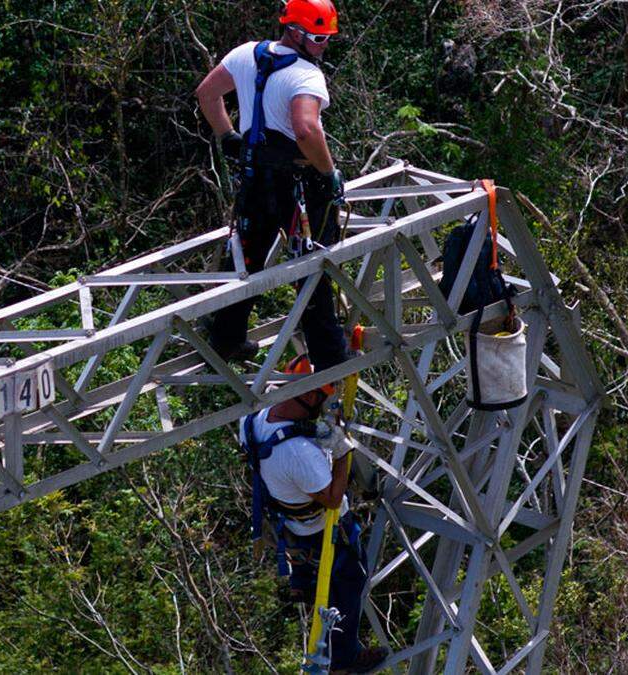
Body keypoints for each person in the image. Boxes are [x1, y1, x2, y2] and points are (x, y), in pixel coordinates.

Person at [196, 0, 348, 367]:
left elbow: (206, 93)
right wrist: (328, 174)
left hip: (254, 178)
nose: (323, 45)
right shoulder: (306, 76)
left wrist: (228, 135)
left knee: (248, 258)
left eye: (327, 38)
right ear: (295, 32)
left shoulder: (247, 54)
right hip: (297, 184)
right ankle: (329, 355)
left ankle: (226, 339)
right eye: (318, 37)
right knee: (312, 265)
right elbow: (306, 129)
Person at [239, 356, 387, 673]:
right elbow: (333, 500)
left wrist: (317, 432)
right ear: (308, 396)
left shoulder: (254, 420)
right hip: (320, 527)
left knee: (314, 568)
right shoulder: (298, 454)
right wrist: (342, 451)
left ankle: (303, 581)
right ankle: (344, 662)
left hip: (288, 519)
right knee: (349, 583)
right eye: (324, 397)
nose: (326, 403)